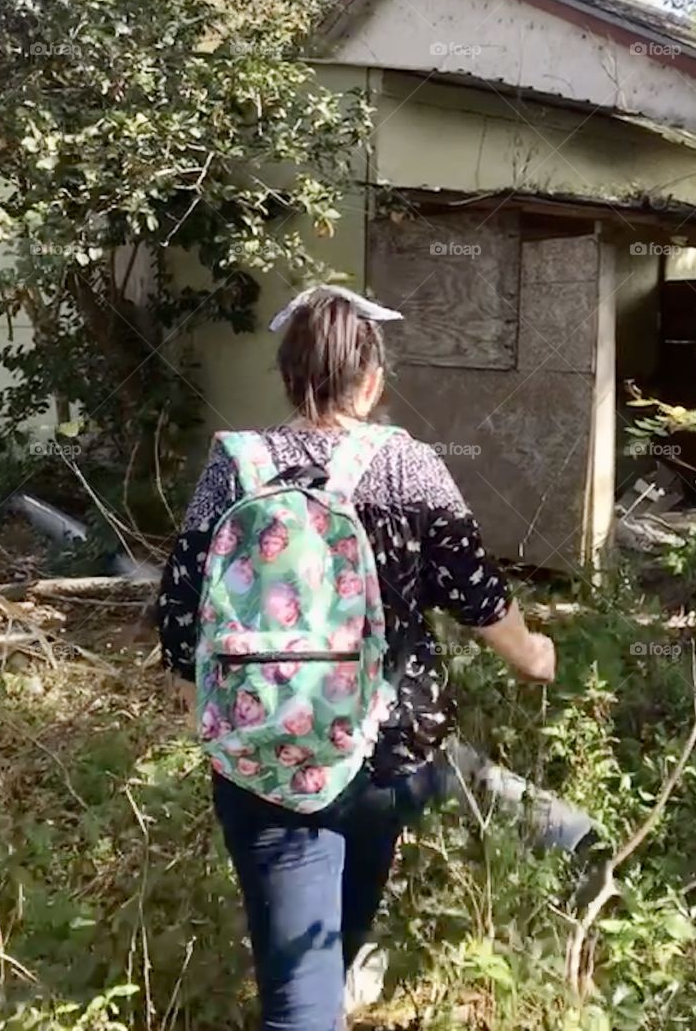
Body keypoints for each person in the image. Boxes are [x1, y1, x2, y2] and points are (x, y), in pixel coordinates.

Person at [156, 285, 556, 1031]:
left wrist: (231, 691)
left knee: (298, 998)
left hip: (267, 756)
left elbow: (182, 620)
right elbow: (477, 594)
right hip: (387, 754)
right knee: (344, 915)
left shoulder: (234, 469)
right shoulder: (411, 468)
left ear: (287, 376)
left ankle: (321, 990)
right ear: (372, 381)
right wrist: (533, 654)